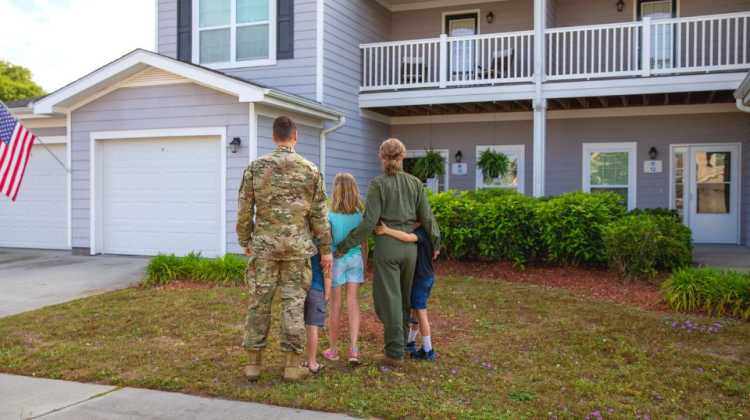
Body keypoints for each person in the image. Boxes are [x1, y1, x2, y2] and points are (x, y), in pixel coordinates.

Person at [236, 116, 332, 382]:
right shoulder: (310, 170)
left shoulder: (256, 168)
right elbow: (319, 216)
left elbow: (245, 208)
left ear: (274, 136)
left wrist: (245, 240)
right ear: (295, 136)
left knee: (259, 304)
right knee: (293, 304)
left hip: (264, 248)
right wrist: (325, 250)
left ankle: (253, 365)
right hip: (297, 249)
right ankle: (291, 366)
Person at [335, 138, 440, 364]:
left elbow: (368, 222)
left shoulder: (378, 184)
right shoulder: (415, 184)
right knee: (403, 297)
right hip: (410, 249)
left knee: (390, 299)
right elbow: (428, 218)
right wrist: (436, 244)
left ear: (381, 158)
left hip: (387, 247)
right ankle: (401, 344)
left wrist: (344, 246)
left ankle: (394, 353)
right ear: (402, 157)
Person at [322, 173, 368, 365]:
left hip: (337, 261)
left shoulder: (329, 215)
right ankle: (354, 349)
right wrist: (364, 265)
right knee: (353, 303)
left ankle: (333, 350)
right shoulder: (359, 215)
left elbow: (327, 243)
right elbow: (364, 243)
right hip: (355, 259)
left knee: (335, 305)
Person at [374, 223, 436, 361]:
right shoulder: (431, 233)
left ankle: (428, 350)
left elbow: (407, 238)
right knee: (415, 311)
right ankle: (410, 342)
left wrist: (386, 230)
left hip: (422, 279)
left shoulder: (421, 232)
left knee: (421, 313)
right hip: (426, 277)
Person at [304, 250, 332, 374]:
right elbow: (327, 270)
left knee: (298, 326)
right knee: (313, 327)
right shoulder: (323, 245)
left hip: (299, 288)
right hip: (317, 288)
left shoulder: (300, 240)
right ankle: (312, 362)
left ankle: (295, 362)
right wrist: (327, 293)